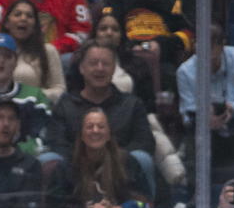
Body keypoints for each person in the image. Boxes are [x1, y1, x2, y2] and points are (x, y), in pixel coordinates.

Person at [48, 43, 157, 195]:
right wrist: (86, 158)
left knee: (142, 159)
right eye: (93, 63)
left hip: (121, 171)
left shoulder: (132, 104)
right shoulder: (66, 104)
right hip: (75, 170)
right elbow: (56, 142)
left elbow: (144, 142)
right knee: (49, 159)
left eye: (106, 64)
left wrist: (111, 158)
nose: (100, 68)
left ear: (114, 69)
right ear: (82, 69)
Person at [176, 21, 234, 183]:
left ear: (222, 45)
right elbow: (186, 113)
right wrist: (205, 119)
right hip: (209, 134)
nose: (206, 59)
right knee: (195, 135)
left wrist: (233, 108)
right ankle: (195, 193)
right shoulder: (185, 71)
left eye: (211, 52)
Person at [44, 106, 152, 208]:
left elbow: (147, 206)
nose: (95, 130)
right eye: (89, 127)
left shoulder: (128, 163)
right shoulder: (65, 167)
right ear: (81, 135)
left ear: (109, 134)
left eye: (101, 127)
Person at [0, 0, 66, 100]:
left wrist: (28, 96)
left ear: (35, 26)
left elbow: (60, 90)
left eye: (29, 16)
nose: (23, 19)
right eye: (17, 14)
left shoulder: (48, 51)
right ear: (7, 23)